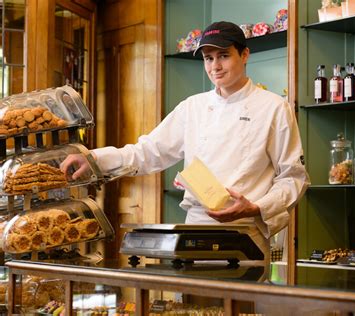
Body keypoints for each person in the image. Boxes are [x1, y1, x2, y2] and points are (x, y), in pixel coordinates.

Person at [61, 21, 310, 259]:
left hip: (245, 233)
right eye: (208, 58)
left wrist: (256, 208)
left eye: (223, 55)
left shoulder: (274, 107)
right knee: (194, 302)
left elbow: (293, 177)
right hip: (194, 230)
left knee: (239, 303)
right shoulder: (193, 107)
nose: (215, 66)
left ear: (244, 55)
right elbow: (147, 152)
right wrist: (93, 159)